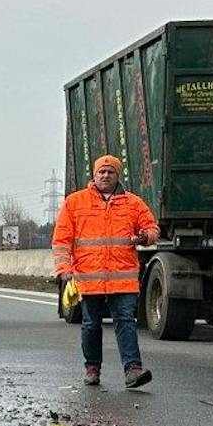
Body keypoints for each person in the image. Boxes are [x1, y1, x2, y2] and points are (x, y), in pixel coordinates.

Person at [51, 154, 158, 388]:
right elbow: (61, 240)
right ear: (94, 174)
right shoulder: (75, 202)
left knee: (125, 321)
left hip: (123, 278)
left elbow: (152, 228)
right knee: (91, 324)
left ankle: (133, 370)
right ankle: (92, 369)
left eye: (110, 172)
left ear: (117, 176)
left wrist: (145, 236)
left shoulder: (134, 203)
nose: (106, 175)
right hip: (89, 278)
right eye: (102, 171)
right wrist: (63, 268)